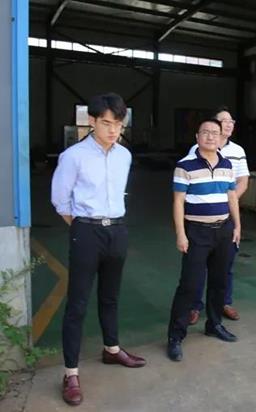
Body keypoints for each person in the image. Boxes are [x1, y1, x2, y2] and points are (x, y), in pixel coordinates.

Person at [51, 93, 146, 406]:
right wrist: (83, 227)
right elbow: (60, 199)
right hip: (87, 231)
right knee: (77, 303)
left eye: (118, 124)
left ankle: (112, 349)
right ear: (92, 121)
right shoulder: (74, 156)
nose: (113, 130)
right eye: (106, 123)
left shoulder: (124, 156)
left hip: (117, 230)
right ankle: (70, 373)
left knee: (110, 296)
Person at [167, 118, 241, 362]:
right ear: (197, 137)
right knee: (189, 285)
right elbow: (178, 201)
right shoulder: (184, 166)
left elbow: (232, 196)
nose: (210, 136)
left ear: (221, 138)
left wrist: (237, 225)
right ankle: (176, 336)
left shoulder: (227, 164)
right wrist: (181, 233)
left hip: (224, 231)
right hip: (197, 232)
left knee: (220, 282)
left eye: (215, 133)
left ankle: (214, 324)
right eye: (206, 132)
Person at [187, 107, 249, 325]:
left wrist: (227, 203)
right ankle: (194, 306)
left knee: (225, 264)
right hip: (201, 220)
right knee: (198, 265)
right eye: (224, 121)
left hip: (226, 216)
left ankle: (223, 302)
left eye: (232, 121)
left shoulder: (238, 151)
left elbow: (242, 181)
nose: (229, 124)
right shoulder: (197, 149)